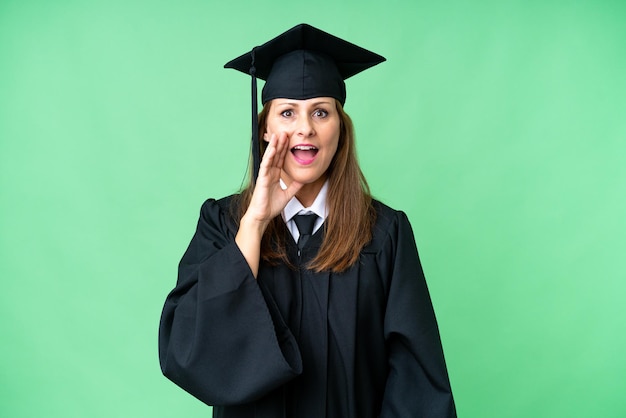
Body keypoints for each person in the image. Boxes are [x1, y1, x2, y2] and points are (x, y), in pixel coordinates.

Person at [159, 23, 456, 418]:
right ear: (265, 129)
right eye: (287, 112)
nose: (305, 128)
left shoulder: (384, 233)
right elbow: (189, 348)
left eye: (321, 111)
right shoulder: (224, 222)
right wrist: (255, 223)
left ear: (340, 128)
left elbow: (415, 380)